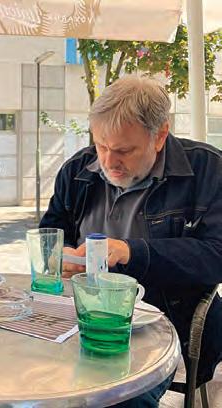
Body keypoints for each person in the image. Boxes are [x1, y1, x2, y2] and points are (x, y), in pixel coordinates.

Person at [41, 76, 222, 406]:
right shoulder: (77, 171)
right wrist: (59, 255)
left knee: (116, 399)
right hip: (76, 323)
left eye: (124, 150)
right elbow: (51, 232)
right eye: (101, 145)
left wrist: (131, 251)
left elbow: (216, 255)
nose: (109, 162)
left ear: (160, 136)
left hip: (165, 330)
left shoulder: (209, 170)